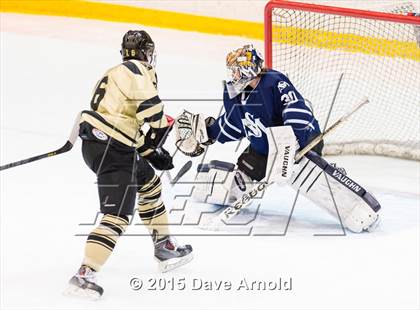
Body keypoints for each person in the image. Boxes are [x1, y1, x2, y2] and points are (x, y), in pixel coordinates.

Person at [174, 44, 380, 233]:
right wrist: (208, 133)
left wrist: (290, 145)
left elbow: (297, 110)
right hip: (263, 152)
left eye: (237, 69)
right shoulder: (234, 93)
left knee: (306, 175)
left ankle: (359, 209)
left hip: (302, 144)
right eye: (232, 70)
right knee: (236, 180)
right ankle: (219, 189)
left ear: (249, 69)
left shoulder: (273, 82)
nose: (233, 74)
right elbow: (234, 124)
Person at [66, 30, 192, 299]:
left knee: (150, 185)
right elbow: (154, 115)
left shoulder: (112, 72)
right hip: (113, 150)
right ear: (148, 52)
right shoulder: (139, 72)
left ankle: (164, 245)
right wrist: (157, 144)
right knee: (117, 216)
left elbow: (126, 123)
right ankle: (84, 275)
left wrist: (149, 152)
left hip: (107, 144)